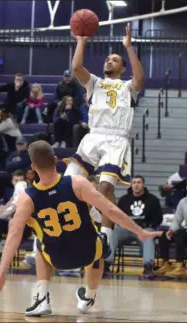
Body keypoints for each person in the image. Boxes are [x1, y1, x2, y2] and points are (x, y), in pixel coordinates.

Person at [0, 141, 161, 316]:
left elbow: (14, 236)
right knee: (101, 241)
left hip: (57, 258)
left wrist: (2, 272)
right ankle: (89, 296)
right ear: (56, 160)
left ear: (32, 167)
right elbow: (110, 210)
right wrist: (140, 231)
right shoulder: (77, 183)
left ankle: (42, 297)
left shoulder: (27, 198)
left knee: (40, 243)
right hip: (88, 253)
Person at [64, 24, 144, 252]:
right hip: (93, 136)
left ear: (123, 67)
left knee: (106, 187)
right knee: (68, 184)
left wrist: (128, 47)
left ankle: (105, 237)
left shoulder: (128, 86)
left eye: (114, 59)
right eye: (107, 59)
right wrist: (81, 40)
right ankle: (88, 220)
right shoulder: (95, 83)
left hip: (116, 139)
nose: (109, 61)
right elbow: (76, 67)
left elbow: (140, 77)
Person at [106, 175, 163, 277]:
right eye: (134, 182)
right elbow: (117, 216)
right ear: (131, 185)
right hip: (127, 229)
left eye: (139, 182)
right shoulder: (124, 200)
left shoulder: (153, 200)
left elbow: (159, 218)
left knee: (149, 237)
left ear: (143, 184)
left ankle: (148, 266)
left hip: (143, 230)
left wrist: (150, 226)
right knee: (114, 232)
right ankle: (107, 263)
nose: (136, 185)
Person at [154, 177, 187, 277]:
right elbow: (177, 219)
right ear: (186, 188)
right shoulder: (182, 202)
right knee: (165, 235)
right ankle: (166, 264)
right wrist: (171, 230)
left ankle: (180, 267)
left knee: (180, 234)